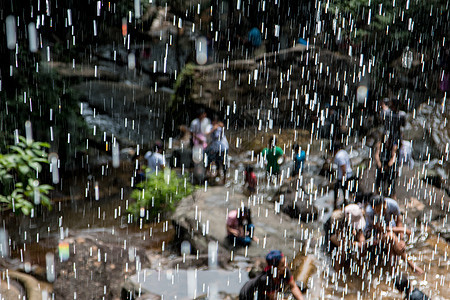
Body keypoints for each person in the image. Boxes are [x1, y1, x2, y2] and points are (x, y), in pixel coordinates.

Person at [365, 196, 424, 274]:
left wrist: (401, 239)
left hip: (391, 230)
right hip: (374, 234)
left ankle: (393, 266)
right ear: (373, 208)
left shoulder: (392, 205)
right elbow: (382, 229)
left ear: (385, 204)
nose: (381, 212)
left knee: (391, 240)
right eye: (378, 211)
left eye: (382, 209)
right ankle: (411, 265)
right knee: (390, 236)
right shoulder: (369, 212)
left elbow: (398, 221)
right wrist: (403, 230)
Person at [239, 250, 304, 300]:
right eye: (282, 265)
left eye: (285, 262)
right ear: (274, 268)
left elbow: (293, 287)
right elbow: (274, 298)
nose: (286, 265)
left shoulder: (285, 270)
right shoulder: (265, 279)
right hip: (247, 295)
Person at [205, 115, 229, 184]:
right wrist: (213, 129)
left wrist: (221, 126)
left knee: (224, 163)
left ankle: (224, 178)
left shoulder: (220, 127)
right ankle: (217, 175)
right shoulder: (210, 127)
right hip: (215, 148)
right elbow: (206, 133)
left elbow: (223, 129)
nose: (214, 123)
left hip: (223, 147)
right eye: (213, 121)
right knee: (216, 161)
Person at [374, 133, 398, 198]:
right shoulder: (380, 144)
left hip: (389, 165)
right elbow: (377, 155)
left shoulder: (393, 145)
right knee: (378, 180)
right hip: (381, 163)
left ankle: (392, 195)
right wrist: (379, 164)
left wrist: (389, 165)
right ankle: (377, 195)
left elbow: (394, 156)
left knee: (391, 181)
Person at [333, 142, 353, 209]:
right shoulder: (344, 152)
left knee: (336, 189)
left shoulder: (339, 156)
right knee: (345, 190)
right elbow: (350, 161)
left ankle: (335, 204)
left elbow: (343, 166)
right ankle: (345, 202)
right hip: (349, 174)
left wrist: (343, 177)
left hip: (343, 176)